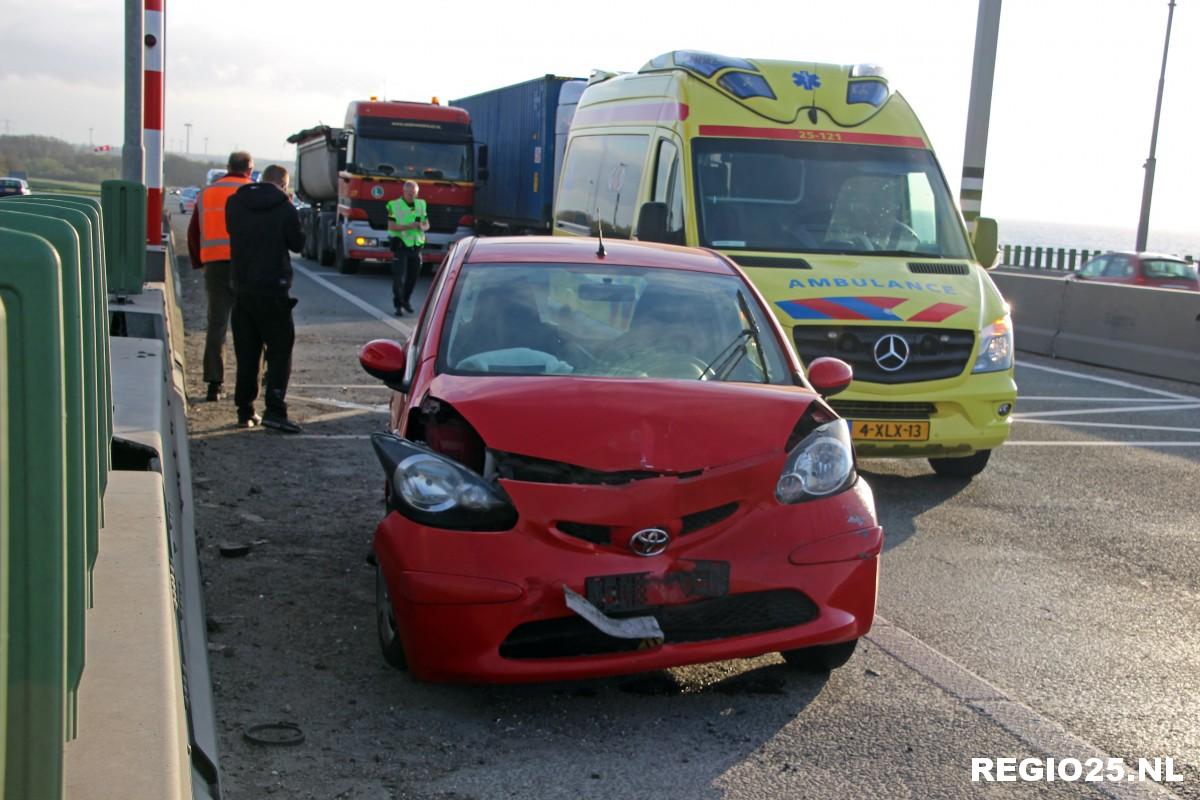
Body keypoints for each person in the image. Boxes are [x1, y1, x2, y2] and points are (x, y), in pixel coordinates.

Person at [225, 164, 305, 432]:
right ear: (283, 184)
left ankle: (244, 409)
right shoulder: (284, 207)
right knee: (280, 351)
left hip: (242, 287)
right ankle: (274, 408)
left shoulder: (234, 203)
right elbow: (298, 243)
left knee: (247, 353)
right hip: (274, 289)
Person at [188, 151, 254, 401]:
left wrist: (198, 262)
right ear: (249, 169)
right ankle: (249, 385)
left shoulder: (208, 192)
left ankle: (214, 383)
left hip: (215, 265)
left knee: (217, 324)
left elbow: (194, 232)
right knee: (251, 326)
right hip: (246, 266)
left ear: (228, 167)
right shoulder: (252, 191)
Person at [385, 180, 430, 315]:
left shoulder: (421, 204)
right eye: (409, 193)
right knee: (399, 277)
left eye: (414, 193)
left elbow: (427, 224)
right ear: (404, 192)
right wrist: (408, 226)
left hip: (416, 246)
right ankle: (398, 305)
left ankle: (406, 300)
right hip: (401, 245)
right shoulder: (394, 205)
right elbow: (391, 226)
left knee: (413, 277)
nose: (412, 196)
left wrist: (422, 227)